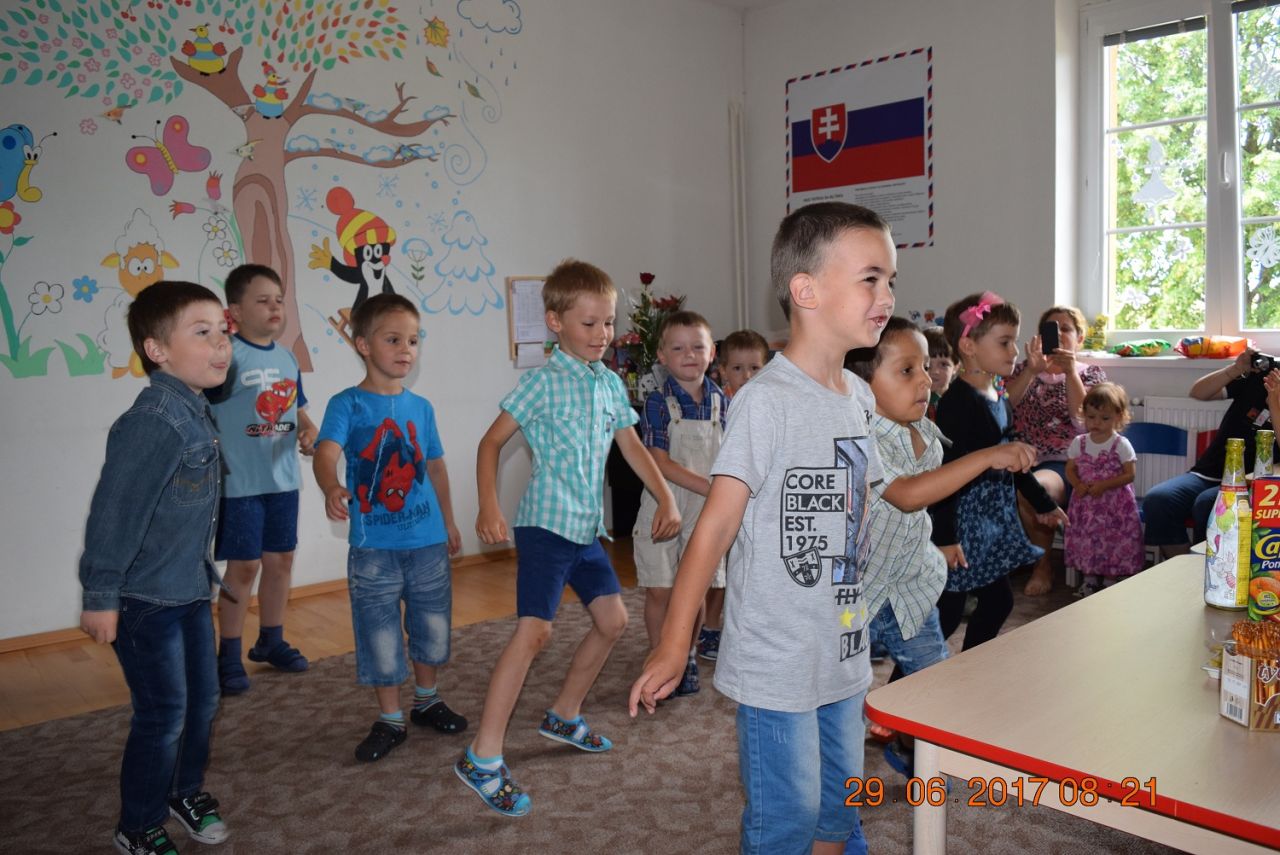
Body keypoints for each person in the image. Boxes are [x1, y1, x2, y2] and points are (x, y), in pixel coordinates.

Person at [630, 202, 895, 855]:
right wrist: (674, 642)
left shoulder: (859, 397)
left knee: (842, 804)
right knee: (788, 813)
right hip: (776, 655)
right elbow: (715, 527)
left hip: (843, 644)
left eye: (891, 280)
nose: (887, 296)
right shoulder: (766, 401)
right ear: (806, 290)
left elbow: (867, 509)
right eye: (871, 278)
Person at [458, 259, 680, 817]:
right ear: (555, 322)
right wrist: (489, 504)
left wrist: (667, 496)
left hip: (585, 529)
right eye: (589, 324)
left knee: (613, 621)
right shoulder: (540, 383)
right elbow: (490, 443)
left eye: (608, 322)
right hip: (544, 527)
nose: (602, 334)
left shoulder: (608, 383)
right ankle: (482, 756)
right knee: (533, 632)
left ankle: (564, 714)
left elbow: (631, 445)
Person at [844, 317, 1037, 781]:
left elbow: (933, 496)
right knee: (841, 698)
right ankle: (839, 780)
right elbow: (907, 494)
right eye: (906, 370)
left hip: (910, 588)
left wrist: (938, 544)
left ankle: (918, 760)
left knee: (933, 686)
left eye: (926, 367)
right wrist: (987, 457)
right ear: (864, 385)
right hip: (859, 597)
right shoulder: (863, 436)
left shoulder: (926, 431)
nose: (925, 379)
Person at [79, 281, 232, 855]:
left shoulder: (196, 411)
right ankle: (138, 824)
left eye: (223, 332)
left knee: (203, 702)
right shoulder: (155, 421)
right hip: (145, 601)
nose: (221, 345)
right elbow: (114, 514)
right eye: (203, 333)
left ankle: (182, 791)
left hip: (188, 590)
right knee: (163, 713)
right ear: (157, 349)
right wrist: (101, 595)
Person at [313, 293, 467, 764]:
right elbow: (325, 453)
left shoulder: (421, 407)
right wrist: (330, 487)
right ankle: (390, 719)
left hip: (427, 543)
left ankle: (427, 700)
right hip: (373, 547)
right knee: (379, 632)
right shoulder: (348, 404)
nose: (406, 350)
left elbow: (435, 467)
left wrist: (449, 520)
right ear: (363, 344)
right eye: (393, 340)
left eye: (414, 341)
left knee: (432, 625)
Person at [932, 292, 1068, 651]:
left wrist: (1043, 503)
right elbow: (944, 474)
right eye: (1004, 342)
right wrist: (945, 537)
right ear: (969, 346)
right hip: (963, 525)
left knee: (996, 602)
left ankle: (970, 669)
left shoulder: (997, 394)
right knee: (948, 615)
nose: (1014, 351)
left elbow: (1014, 462)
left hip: (991, 521)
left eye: (1015, 341)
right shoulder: (958, 402)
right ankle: (905, 677)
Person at [208, 264, 317, 695]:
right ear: (235, 310)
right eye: (262, 300)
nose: (275, 307)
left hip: (283, 481)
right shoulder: (227, 356)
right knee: (244, 566)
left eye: (279, 300)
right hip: (239, 484)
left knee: (280, 562)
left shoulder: (287, 357)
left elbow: (297, 406)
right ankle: (228, 656)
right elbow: (203, 408)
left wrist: (309, 429)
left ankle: (270, 641)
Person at [634, 310, 728, 695]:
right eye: (678, 348)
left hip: (705, 512)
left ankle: (686, 656)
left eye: (697, 347)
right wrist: (710, 488)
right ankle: (659, 656)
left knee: (696, 588)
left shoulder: (722, 401)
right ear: (662, 355)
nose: (689, 355)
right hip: (664, 505)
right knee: (660, 587)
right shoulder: (658, 402)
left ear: (712, 353)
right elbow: (659, 462)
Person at [1006, 305, 1106, 595]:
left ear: (1080, 338)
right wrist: (1032, 370)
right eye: (1052, 328)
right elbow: (1003, 409)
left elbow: (1084, 423)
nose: (1059, 334)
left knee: (1035, 489)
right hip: (1017, 455)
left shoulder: (1091, 374)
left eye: (1066, 329)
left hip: (1064, 462)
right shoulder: (1023, 370)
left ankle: (1042, 565)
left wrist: (1070, 372)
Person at [1143, 348, 1280, 558]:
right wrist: (1236, 368)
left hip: (1251, 481)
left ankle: (1210, 568)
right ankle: (1184, 566)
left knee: (1208, 504)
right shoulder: (1264, 375)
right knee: (1158, 501)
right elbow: (1198, 392)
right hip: (1208, 472)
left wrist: (1275, 404)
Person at [697, 327, 772, 663]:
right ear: (723, 370)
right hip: (716, 496)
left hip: (754, 500)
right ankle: (709, 626)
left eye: (755, 368)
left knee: (737, 570)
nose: (747, 376)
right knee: (715, 568)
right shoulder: (719, 407)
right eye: (738, 368)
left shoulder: (768, 407)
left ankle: (730, 624)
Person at [1064, 382, 1144, 595]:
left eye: (1104, 418)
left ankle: (1110, 580)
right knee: (1088, 539)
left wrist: (1103, 485)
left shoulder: (1121, 444)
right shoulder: (1079, 442)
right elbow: (1070, 469)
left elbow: (1130, 474)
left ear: (1119, 416)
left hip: (1114, 507)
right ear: (1084, 414)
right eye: (1091, 417)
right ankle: (1089, 579)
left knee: (1112, 540)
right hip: (1086, 506)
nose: (1096, 423)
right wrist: (1077, 484)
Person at [922, 326, 954, 422]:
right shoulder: (911, 400)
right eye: (927, 364)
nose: (934, 371)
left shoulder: (961, 400)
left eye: (943, 364)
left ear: (956, 367)